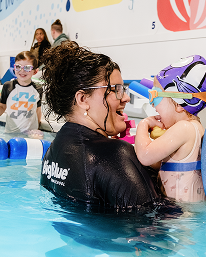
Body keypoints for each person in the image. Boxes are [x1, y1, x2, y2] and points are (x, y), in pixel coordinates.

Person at [40, 41, 161, 211]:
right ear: (83, 99)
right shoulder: (114, 155)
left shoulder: (53, 150)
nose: (125, 98)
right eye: (116, 89)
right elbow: (153, 227)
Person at [135, 55, 206, 203]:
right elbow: (160, 163)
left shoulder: (183, 128)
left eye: (154, 96)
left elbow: (145, 156)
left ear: (178, 104)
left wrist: (143, 125)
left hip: (179, 213)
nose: (152, 104)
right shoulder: (196, 128)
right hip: (188, 212)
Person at [0, 51, 42, 133]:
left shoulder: (38, 89)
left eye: (27, 68)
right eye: (18, 67)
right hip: (11, 132)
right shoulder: (8, 86)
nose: (22, 71)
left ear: (35, 71)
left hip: (30, 133)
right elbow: (2, 107)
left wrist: (37, 129)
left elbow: (38, 110)